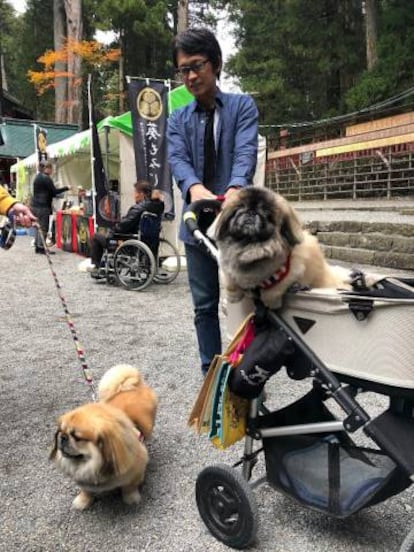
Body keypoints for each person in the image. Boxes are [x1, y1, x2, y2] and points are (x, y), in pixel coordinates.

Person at [167, 27, 259, 376]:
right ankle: (212, 376)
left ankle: (250, 372)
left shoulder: (242, 107)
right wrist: (193, 187)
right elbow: (178, 159)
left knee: (246, 302)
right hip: (196, 223)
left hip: (236, 222)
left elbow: (245, 152)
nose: (190, 76)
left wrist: (236, 187)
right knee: (204, 306)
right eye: (183, 69)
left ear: (216, 64)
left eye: (197, 65)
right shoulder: (177, 118)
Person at [89, 180, 164, 276]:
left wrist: (112, 232)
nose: (134, 195)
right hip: (150, 240)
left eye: (135, 192)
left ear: (140, 194)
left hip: (131, 240)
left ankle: (97, 267)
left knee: (96, 237)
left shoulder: (138, 208)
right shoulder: (158, 206)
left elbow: (124, 225)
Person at [31, 160, 70, 254]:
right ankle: (41, 248)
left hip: (35, 205)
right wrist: (67, 188)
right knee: (43, 227)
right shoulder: (46, 178)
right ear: (46, 168)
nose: (52, 170)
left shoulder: (37, 177)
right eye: (51, 168)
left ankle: (37, 246)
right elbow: (54, 192)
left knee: (37, 227)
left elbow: (47, 192)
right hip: (43, 206)